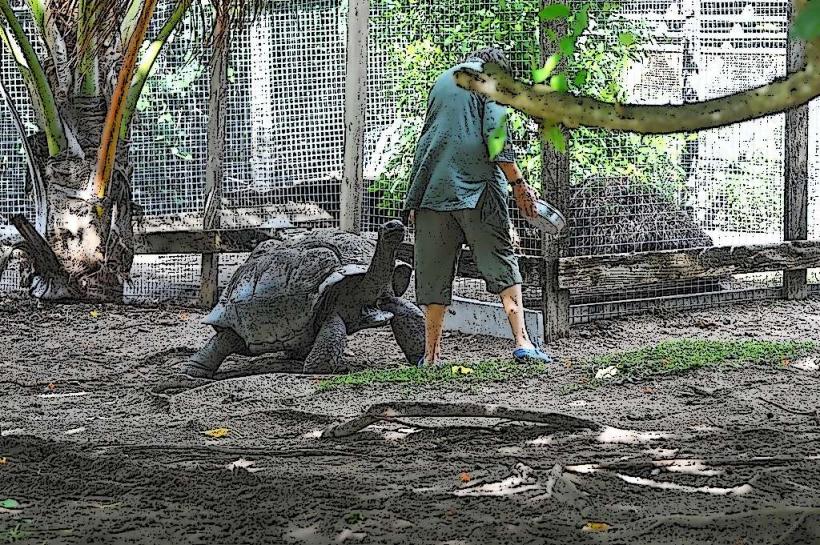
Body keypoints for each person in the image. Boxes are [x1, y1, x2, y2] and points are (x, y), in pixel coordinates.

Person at [402, 46, 553, 367]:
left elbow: (432, 135)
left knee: (433, 270)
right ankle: (523, 343)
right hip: (478, 188)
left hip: (431, 187)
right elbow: (495, 136)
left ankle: (430, 356)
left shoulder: (443, 80)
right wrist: (518, 184)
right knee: (500, 259)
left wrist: (413, 197)